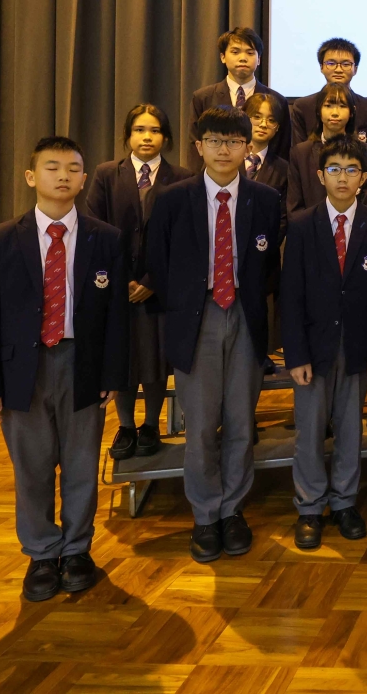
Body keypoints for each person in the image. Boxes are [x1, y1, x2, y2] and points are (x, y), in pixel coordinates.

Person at [0, 136, 127, 602]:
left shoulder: (106, 238)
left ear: (84, 179)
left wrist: (112, 375)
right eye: (52, 167)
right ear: (30, 176)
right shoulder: (2, 239)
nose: (63, 176)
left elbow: (117, 315)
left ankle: (77, 549)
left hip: (83, 364)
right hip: (24, 369)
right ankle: (41, 553)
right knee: (33, 468)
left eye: (73, 168)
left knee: (81, 465)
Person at [145, 108, 283, 563]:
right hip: (197, 317)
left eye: (234, 141)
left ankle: (232, 511)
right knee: (202, 425)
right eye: (215, 141)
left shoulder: (266, 200)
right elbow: (157, 262)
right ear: (198, 146)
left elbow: (269, 267)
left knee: (242, 422)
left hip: (245, 315)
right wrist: (187, 303)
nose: (224, 149)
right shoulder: (171, 199)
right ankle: (205, 515)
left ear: (248, 148)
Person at [280, 135, 367, 549]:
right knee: (310, 429)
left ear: (363, 178)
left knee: (349, 428)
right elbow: (291, 295)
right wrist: (295, 353)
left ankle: (345, 502)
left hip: (357, 345)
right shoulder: (301, 225)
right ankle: (310, 506)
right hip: (313, 346)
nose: (342, 178)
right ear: (320, 176)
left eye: (351, 170)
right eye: (334, 169)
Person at [85, 104, 192, 461]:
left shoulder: (181, 177)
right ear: (128, 135)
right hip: (118, 288)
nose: (147, 137)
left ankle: (150, 426)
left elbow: (185, 238)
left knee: (155, 360)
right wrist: (123, 281)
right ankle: (127, 426)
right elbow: (94, 229)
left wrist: (153, 280)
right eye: (140, 130)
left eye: (155, 130)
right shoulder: (106, 174)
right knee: (125, 358)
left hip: (160, 288)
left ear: (166, 137)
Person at [191, 27, 290, 158]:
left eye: (250, 53)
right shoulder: (203, 97)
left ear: (259, 59)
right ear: (223, 57)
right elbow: (194, 144)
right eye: (235, 52)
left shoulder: (278, 100)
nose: (243, 58)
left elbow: (283, 147)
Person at [289, 38, 367, 147]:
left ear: (355, 69)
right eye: (331, 63)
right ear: (321, 67)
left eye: (346, 64)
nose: (338, 70)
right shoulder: (303, 106)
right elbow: (298, 152)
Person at [287, 83, 355, 215]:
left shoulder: (366, 153)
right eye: (328, 106)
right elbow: (294, 207)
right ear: (318, 110)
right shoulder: (301, 153)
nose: (335, 113)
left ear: (352, 112)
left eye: (342, 106)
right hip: (309, 225)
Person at [240, 92, 291, 202]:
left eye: (271, 120)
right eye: (257, 117)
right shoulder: (228, 157)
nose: (263, 124)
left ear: (277, 127)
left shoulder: (284, 169)